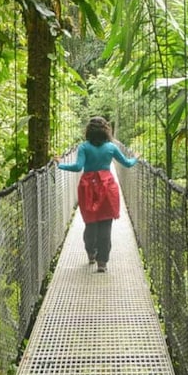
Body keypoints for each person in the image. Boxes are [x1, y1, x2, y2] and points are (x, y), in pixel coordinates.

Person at [54, 116, 138, 273]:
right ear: (106, 130)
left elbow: (78, 167)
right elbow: (127, 163)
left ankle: (91, 252)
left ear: (88, 131)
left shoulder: (84, 147)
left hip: (88, 188)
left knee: (90, 223)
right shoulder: (111, 147)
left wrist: (61, 164)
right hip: (107, 188)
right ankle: (102, 263)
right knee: (106, 225)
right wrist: (136, 159)